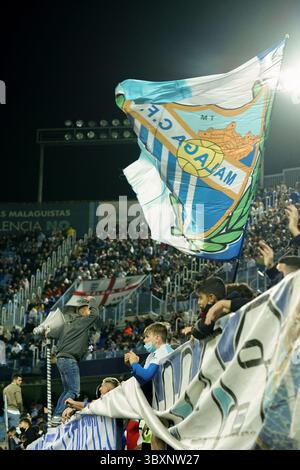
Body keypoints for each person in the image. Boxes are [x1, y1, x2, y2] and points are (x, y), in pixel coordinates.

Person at [51, 296, 100, 426]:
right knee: (73, 391)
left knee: (67, 390)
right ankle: (57, 416)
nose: (89, 312)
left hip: (61, 358)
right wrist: (92, 301)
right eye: (88, 310)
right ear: (84, 310)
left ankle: (56, 416)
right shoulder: (82, 321)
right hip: (68, 359)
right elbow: (95, 315)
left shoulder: (69, 324)